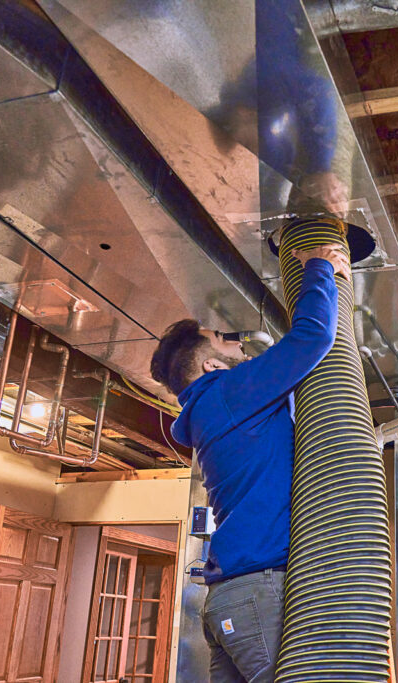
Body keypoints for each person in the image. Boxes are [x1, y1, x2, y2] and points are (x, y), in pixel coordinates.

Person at [150, 243, 350, 683]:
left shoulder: (211, 410)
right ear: (210, 364)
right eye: (222, 339)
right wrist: (321, 265)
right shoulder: (227, 392)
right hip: (257, 591)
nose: (235, 342)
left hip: (233, 596)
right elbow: (314, 337)